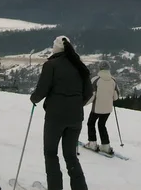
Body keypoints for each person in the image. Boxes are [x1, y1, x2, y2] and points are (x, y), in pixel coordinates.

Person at [30, 35, 94, 190]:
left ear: (55, 48)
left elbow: (42, 90)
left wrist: (34, 99)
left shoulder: (51, 65)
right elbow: (89, 93)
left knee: (51, 154)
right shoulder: (80, 66)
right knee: (71, 156)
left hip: (55, 118)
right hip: (75, 118)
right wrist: (76, 105)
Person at [84, 60, 120, 154]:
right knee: (102, 125)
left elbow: (91, 96)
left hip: (97, 108)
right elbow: (116, 97)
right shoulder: (113, 80)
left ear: (100, 68)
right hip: (108, 109)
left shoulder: (96, 80)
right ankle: (105, 146)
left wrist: (83, 104)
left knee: (91, 123)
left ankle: (92, 143)